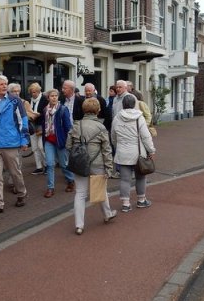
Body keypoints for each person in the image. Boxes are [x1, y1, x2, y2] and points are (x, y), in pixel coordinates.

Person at [66, 98, 117, 234]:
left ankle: (79, 225)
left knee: (80, 194)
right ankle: (107, 214)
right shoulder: (101, 127)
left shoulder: (76, 125)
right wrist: (109, 168)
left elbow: (68, 145)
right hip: (97, 163)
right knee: (100, 190)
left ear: (83, 110)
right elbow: (107, 150)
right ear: (98, 110)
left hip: (80, 163)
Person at [0, 74, 29, 215]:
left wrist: (24, 139)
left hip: (11, 142)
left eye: (5, 84)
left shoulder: (15, 101)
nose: (4, 86)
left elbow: (23, 120)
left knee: (15, 172)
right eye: (1, 84)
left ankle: (22, 193)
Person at [111, 94, 156, 213]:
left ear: (123, 104)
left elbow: (113, 136)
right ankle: (141, 200)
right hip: (138, 153)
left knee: (125, 179)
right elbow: (145, 136)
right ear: (134, 104)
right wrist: (151, 150)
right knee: (140, 177)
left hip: (122, 152)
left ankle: (126, 204)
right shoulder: (139, 117)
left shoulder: (117, 117)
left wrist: (117, 146)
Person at [42, 88, 74, 197]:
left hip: (60, 141)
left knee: (64, 164)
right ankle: (50, 188)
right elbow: (43, 125)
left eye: (56, 96)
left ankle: (70, 180)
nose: (54, 97)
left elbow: (68, 127)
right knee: (50, 164)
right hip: (49, 140)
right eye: (52, 96)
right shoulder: (45, 110)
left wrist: (69, 141)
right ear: (48, 98)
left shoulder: (63, 109)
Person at [28, 82, 48, 175]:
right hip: (32, 125)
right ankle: (39, 167)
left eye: (35, 92)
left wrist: (37, 115)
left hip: (41, 125)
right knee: (35, 148)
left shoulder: (44, 99)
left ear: (39, 91)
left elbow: (46, 113)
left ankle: (47, 165)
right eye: (32, 92)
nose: (33, 94)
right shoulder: (30, 100)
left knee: (41, 147)